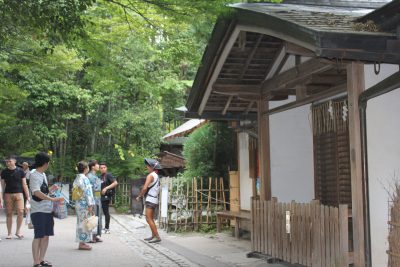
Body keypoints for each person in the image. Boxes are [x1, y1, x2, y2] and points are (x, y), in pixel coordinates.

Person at [30, 152, 64, 267]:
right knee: (38, 235)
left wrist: (51, 189)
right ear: (45, 163)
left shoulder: (43, 175)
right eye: (48, 162)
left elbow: (43, 191)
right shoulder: (34, 175)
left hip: (47, 210)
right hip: (38, 210)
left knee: (46, 235)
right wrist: (52, 199)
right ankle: (36, 262)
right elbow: (36, 192)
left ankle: (41, 259)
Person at [0, 155, 30, 239]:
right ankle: (9, 233)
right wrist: (1, 198)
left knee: (21, 212)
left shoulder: (20, 171)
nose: (7, 162)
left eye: (9, 161)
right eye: (6, 161)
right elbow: (2, 185)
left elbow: (24, 184)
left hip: (19, 194)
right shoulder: (4, 172)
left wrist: (28, 196)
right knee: (9, 213)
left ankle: (18, 231)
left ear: (14, 162)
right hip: (8, 194)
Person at [136, 158, 162, 243]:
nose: (146, 167)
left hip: (150, 199)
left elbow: (144, 188)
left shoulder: (150, 175)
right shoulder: (156, 175)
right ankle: (153, 235)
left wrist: (139, 196)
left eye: (148, 166)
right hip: (154, 199)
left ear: (152, 167)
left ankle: (157, 237)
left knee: (148, 219)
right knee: (150, 218)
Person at [73, 161, 95, 250]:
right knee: (84, 223)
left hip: (78, 203)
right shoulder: (85, 179)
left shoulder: (77, 177)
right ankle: (82, 243)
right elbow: (87, 192)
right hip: (84, 203)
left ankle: (81, 242)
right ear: (86, 169)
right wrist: (90, 204)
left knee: (80, 222)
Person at [99, 162, 118, 234]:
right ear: (99, 169)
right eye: (101, 168)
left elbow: (115, 183)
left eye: (104, 167)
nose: (103, 169)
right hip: (101, 196)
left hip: (106, 196)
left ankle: (107, 228)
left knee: (106, 212)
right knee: (103, 211)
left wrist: (106, 188)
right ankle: (104, 227)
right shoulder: (100, 176)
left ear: (106, 168)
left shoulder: (108, 175)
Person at [87, 160, 102, 243]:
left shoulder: (95, 176)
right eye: (97, 164)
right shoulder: (89, 176)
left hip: (97, 198)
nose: (98, 165)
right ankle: (91, 236)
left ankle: (96, 235)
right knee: (92, 217)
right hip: (93, 198)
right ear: (93, 166)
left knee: (97, 217)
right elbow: (89, 190)